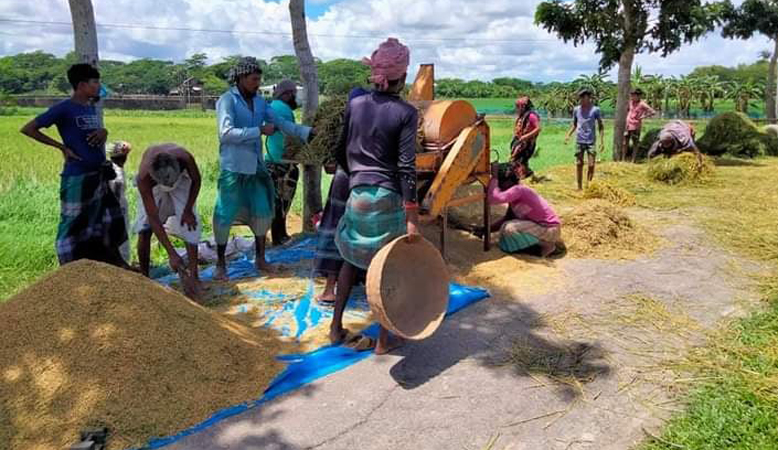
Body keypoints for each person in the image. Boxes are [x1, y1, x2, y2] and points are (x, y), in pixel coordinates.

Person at [330, 38, 420, 354]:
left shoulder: (354, 105)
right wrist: (412, 214)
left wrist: (356, 177)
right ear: (403, 76)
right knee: (389, 267)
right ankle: (383, 340)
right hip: (388, 196)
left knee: (349, 260)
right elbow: (407, 166)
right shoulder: (406, 113)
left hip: (357, 194)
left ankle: (334, 328)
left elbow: (340, 150)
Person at [213, 57, 312, 281]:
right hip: (234, 167)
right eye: (254, 79)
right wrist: (258, 130)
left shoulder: (259, 102)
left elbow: (282, 124)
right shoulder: (227, 101)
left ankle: (261, 259)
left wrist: (308, 133)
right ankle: (220, 264)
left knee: (262, 211)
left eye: (259, 79)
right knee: (224, 214)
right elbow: (225, 133)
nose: (258, 84)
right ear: (240, 78)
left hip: (256, 167)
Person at [20, 63, 128, 267]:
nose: (98, 86)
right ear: (81, 85)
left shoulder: (90, 108)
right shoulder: (64, 108)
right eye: (95, 82)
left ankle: (108, 266)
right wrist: (61, 147)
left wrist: (104, 132)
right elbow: (29, 129)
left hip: (99, 174)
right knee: (72, 225)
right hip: (78, 175)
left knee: (105, 222)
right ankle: (67, 271)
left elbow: (95, 135)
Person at [314, 87, 371, 305]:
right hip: (361, 183)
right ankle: (354, 282)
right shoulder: (373, 124)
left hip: (344, 179)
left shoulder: (348, 124)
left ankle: (331, 288)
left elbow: (337, 153)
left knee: (336, 229)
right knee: (358, 231)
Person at [135, 143, 203, 299]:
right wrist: (172, 254)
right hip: (155, 185)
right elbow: (153, 218)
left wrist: (187, 210)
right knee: (144, 229)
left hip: (182, 179)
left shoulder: (184, 157)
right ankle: (145, 279)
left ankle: (194, 276)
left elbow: (196, 180)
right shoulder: (144, 178)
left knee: (190, 223)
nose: (170, 186)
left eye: (171, 182)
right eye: (167, 184)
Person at [482, 163, 561, 257]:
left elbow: (493, 199)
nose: (499, 186)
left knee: (509, 229)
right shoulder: (514, 197)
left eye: (500, 182)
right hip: (542, 229)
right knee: (505, 230)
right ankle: (537, 247)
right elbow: (507, 218)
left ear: (508, 181)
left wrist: (494, 177)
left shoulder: (519, 190)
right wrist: (485, 230)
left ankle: (545, 245)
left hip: (549, 229)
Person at [266, 79, 301, 246]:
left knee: (275, 200)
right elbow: (291, 136)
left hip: (271, 159)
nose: (295, 98)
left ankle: (278, 235)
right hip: (283, 162)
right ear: (287, 94)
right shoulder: (284, 110)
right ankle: (279, 237)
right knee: (282, 201)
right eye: (294, 94)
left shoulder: (272, 106)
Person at [565, 89, 605, 190]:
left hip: (591, 141)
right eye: (580, 98)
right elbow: (574, 124)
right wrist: (568, 135)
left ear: (589, 98)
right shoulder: (576, 110)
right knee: (579, 164)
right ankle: (579, 187)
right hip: (579, 140)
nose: (581, 100)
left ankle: (589, 185)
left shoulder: (595, 110)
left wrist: (602, 141)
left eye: (583, 98)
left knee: (591, 164)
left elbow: (600, 126)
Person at [107, 141, 132, 264]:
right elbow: (115, 196)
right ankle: (122, 265)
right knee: (121, 239)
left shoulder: (113, 167)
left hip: (117, 209)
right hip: (118, 210)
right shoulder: (117, 174)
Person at [510, 96, 542, 180]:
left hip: (527, 142)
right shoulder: (522, 115)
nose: (516, 108)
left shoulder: (531, 116)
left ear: (523, 106)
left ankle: (522, 177)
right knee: (519, 160)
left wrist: (525, 136)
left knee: (519, 160)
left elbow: (538, 128)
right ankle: (527, 173)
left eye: (518, 106)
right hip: (520, 140)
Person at [624, 88, 656, 162]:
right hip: (628, 125)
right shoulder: (630, 102)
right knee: (625, 143)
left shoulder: (642, 104)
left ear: (638, 96)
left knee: (635, 143)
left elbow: (653, 112)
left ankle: (633, 160)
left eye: (634, 95)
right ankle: (623, 159)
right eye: (631, 95)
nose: (632, 97)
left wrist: (643, 116)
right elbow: (628, 110)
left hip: (635, 126)